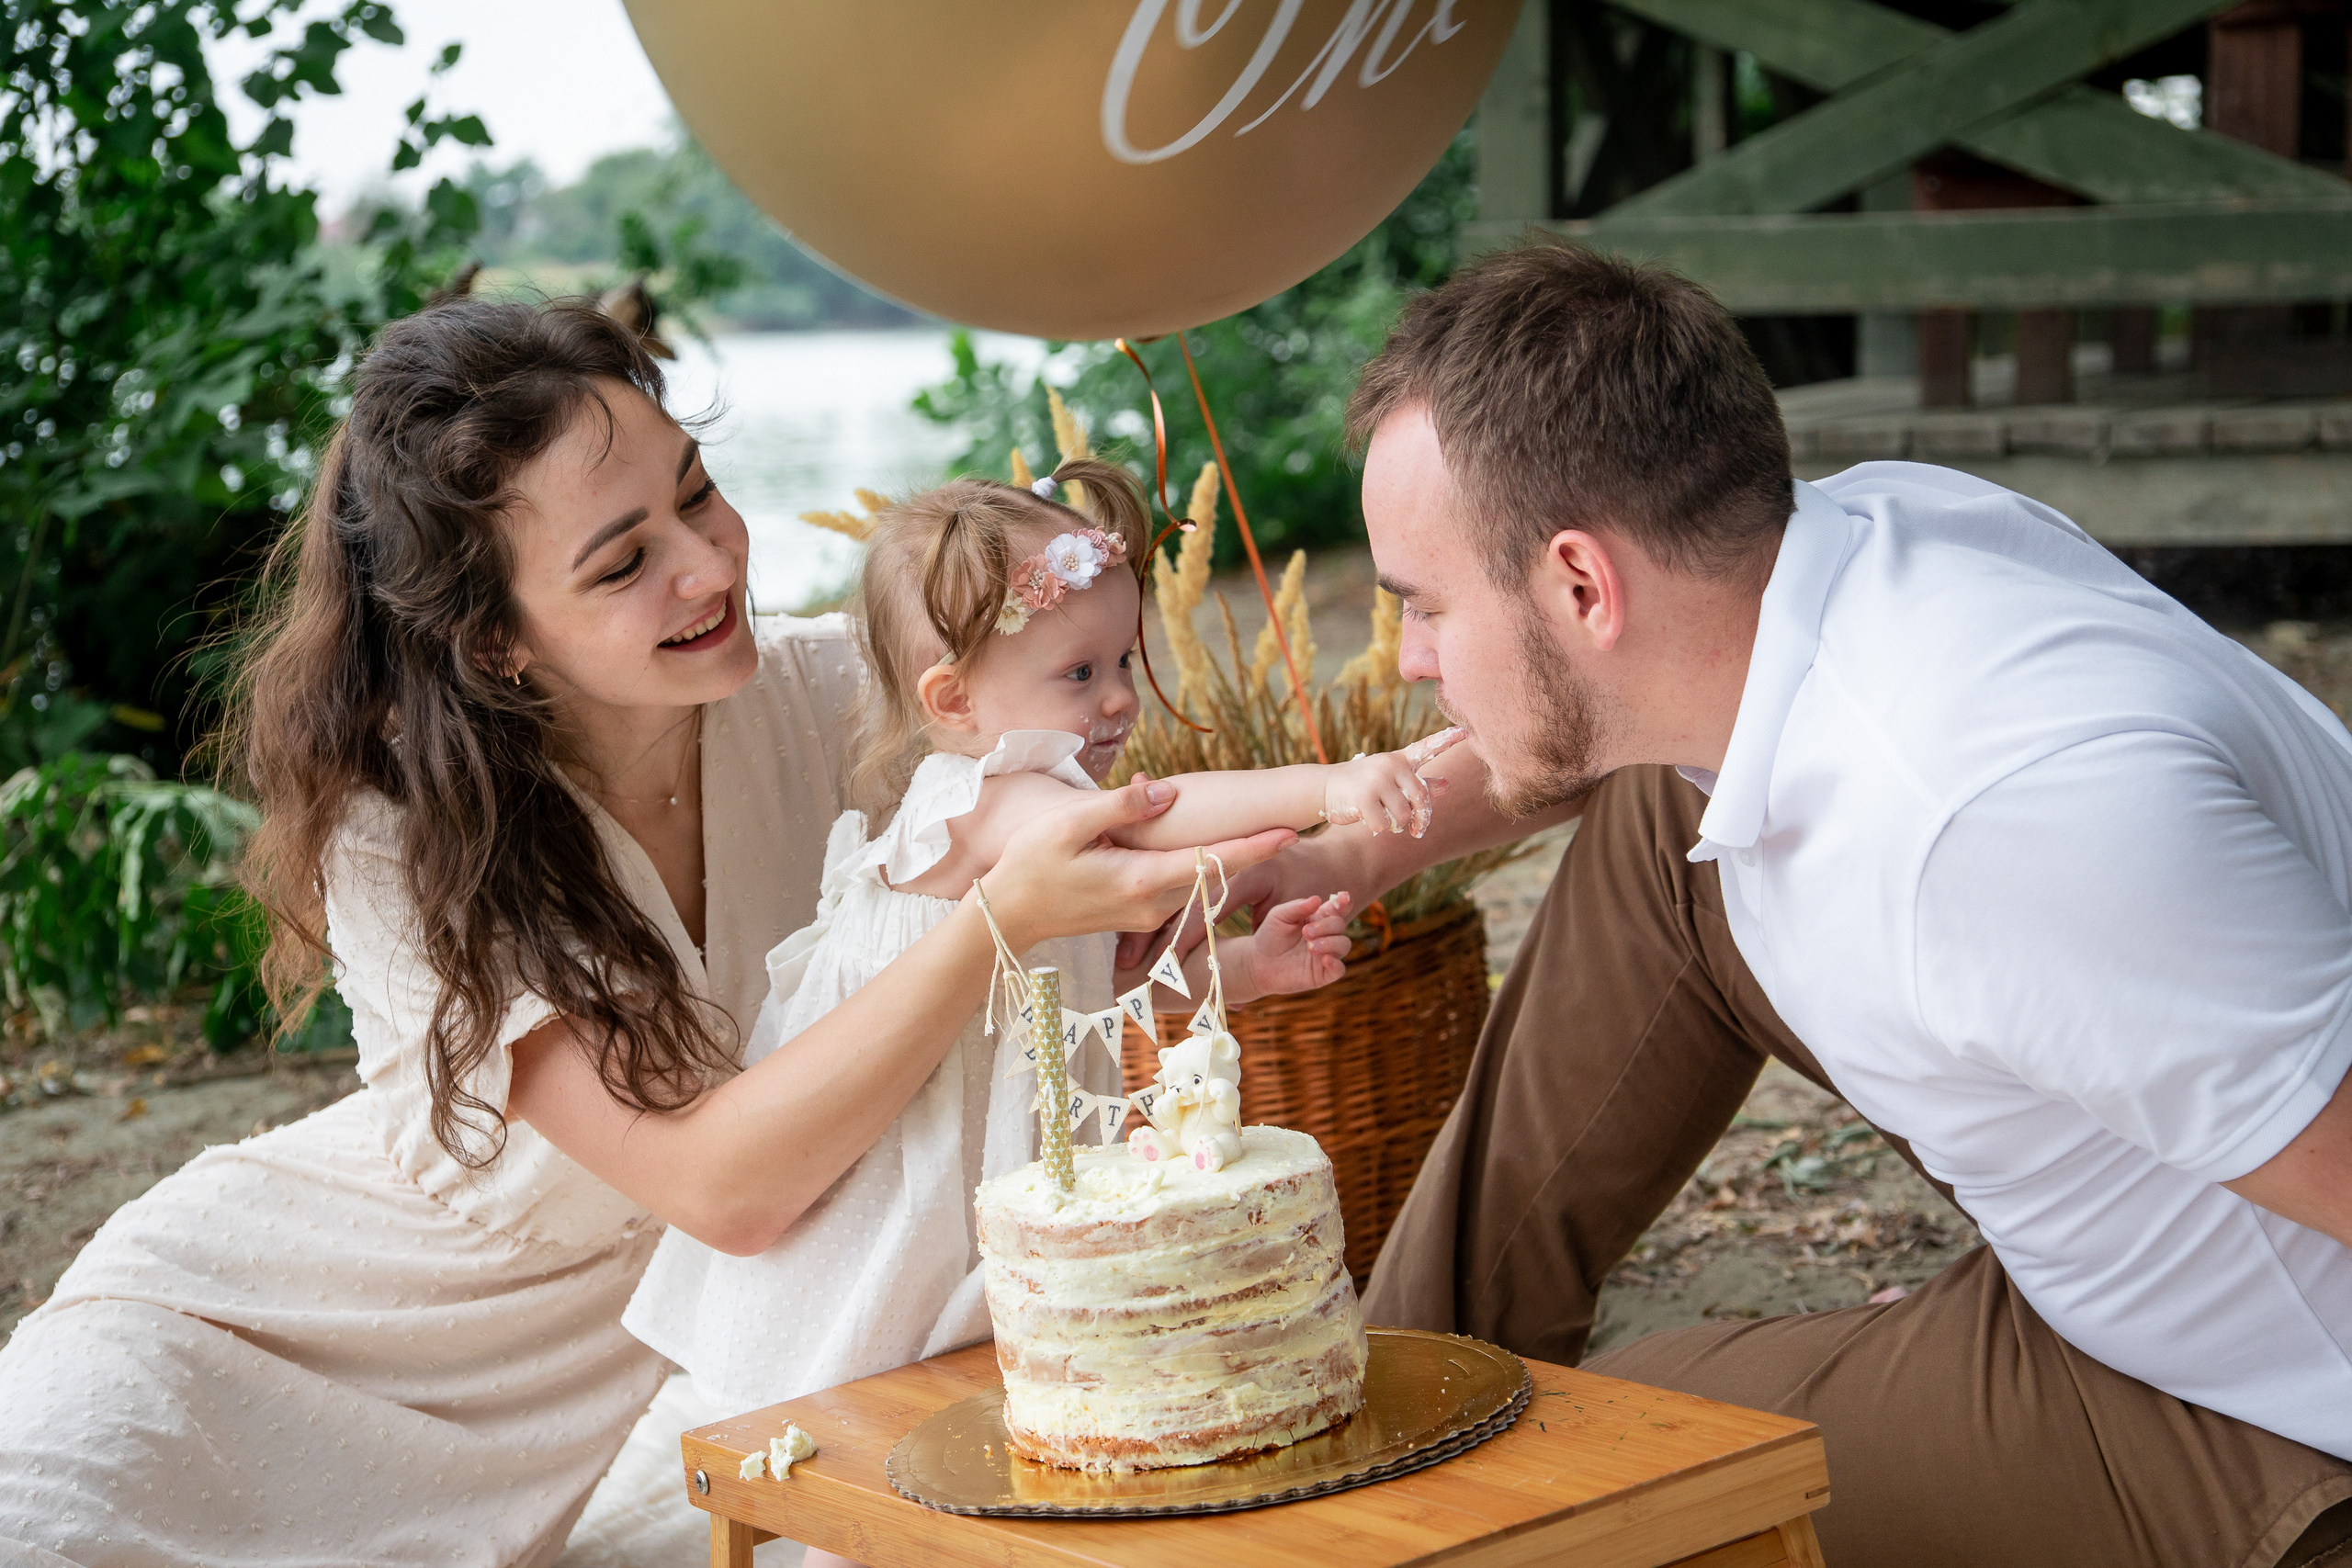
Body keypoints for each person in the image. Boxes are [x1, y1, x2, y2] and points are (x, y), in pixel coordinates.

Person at [0, 298, 1301, 1568]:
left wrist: (1474, 770)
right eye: (623, 562)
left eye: (697, 490)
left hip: (672, 1369)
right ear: (499, 640)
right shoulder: (399, 831)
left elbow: (1138, 823)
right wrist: (989, 929)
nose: (711, 562)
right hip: (292, 1338)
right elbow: (721, 1190)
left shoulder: (836, 697)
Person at [1184, 243, 2352, 1567]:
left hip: (2260, 1417)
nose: (1406, 659)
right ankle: (1395, 1401)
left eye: (1429, 606)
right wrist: (1342, 854)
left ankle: (1405, 1502)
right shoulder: (1866, 540)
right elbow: (1589, 718)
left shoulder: (1996, 819)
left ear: (1581, 583)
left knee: (1603, 1456)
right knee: (1660, 817)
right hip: (2134, 1182)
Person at [623, 457, 1452, 1424]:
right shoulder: (983, 804)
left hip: (990, 1169)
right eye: (1078, 674)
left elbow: (1078, 1006)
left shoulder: (1045, 824)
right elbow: (1152, 819)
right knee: (866, 1403)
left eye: (1124, 663)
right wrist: (1327, 787)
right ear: (954, 703)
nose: (1118, 701)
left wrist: (1242, 970)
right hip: (898, 1185)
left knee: (1009, 1399)